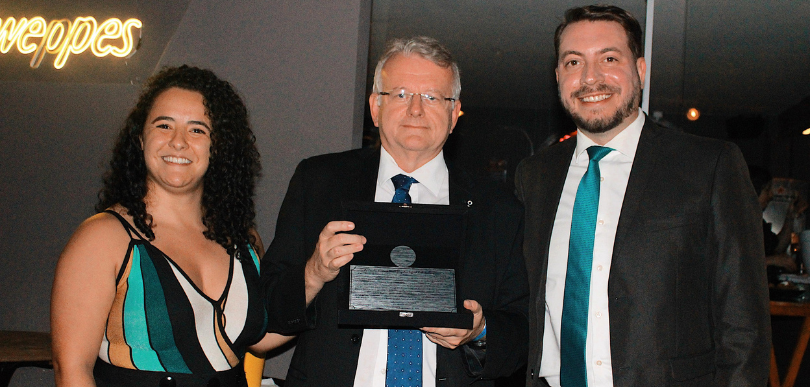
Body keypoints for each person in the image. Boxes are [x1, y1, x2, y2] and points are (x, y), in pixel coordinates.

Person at [514, 5, 770, 387]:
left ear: (640, 70)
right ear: (557, 77)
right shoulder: (533, 176)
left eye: (609, 58)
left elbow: (744, 324)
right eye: (573, 62)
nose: (590, 78)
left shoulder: (709, 166)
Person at [261, 36, 528, 386]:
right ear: (375, 107)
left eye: (432, 97)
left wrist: (479, 331)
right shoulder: (318, 183)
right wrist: (314, 272)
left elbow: (523, 332)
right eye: (401, 94)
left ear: (453, 114)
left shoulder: (498, 209)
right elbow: (265, 311)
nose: (415, 109)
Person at [51, 65, 289, 387]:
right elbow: (72, 370)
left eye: (197, 130)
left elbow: (258, 339)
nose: (178, 142)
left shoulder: (243, 241)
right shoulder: (104, 238)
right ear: (140, 138)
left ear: (217, 147)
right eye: (164, 125)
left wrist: (317, 275)